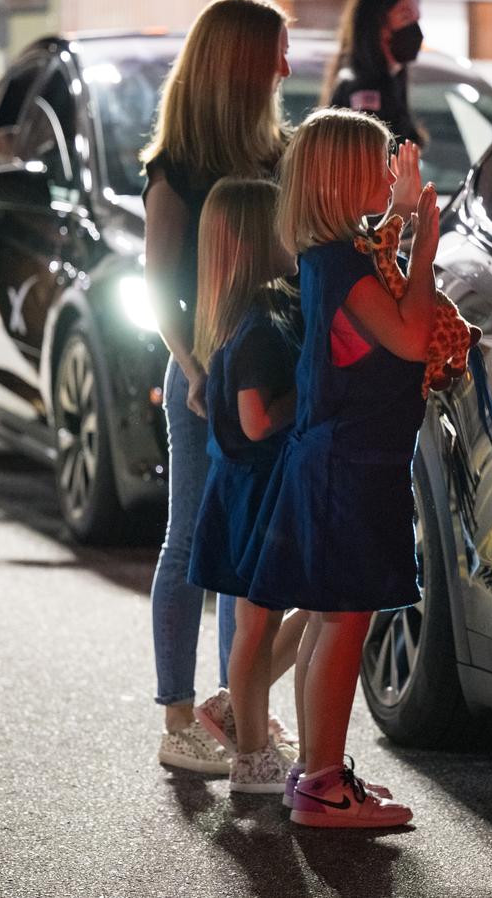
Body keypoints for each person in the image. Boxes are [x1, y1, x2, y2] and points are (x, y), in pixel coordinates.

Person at [247, 107, 440, 827]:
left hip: (339, 458)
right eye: (379, 164)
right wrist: (423, 251)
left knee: (330, 618)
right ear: (341, 178)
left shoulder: (330, 256)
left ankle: (315, 773)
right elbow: (413, 338)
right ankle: (324, 786)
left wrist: (399, 218)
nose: (390, 173)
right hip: (350, 465)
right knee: (345, 620)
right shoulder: (343, 265)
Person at [139, 0, 300, 774]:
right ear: (240, 62)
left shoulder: (281, 154)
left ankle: (243, 714)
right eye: (276, 52)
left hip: (267, 375)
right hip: (204, 377)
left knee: (251, 554)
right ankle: (179, 719)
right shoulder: (175, 168)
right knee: (189, 543)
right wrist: (194, 368)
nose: (286, 68)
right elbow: (155, 286)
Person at [184, 177, 310, 794]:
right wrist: (309, 390)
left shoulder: (239, 320)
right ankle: (253, 755)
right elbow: (258, 420)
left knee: (278, 616)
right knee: (257, 624)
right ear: (260, 239)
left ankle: (240, 709)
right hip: (258, 491)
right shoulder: (260, 327)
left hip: (246, 489)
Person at [323, 0, 427, 147]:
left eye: (417, 19)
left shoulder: (393, 80)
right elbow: (369, 154)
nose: (416, 30)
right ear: (377, 24)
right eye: (406, 17)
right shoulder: (362, 87)